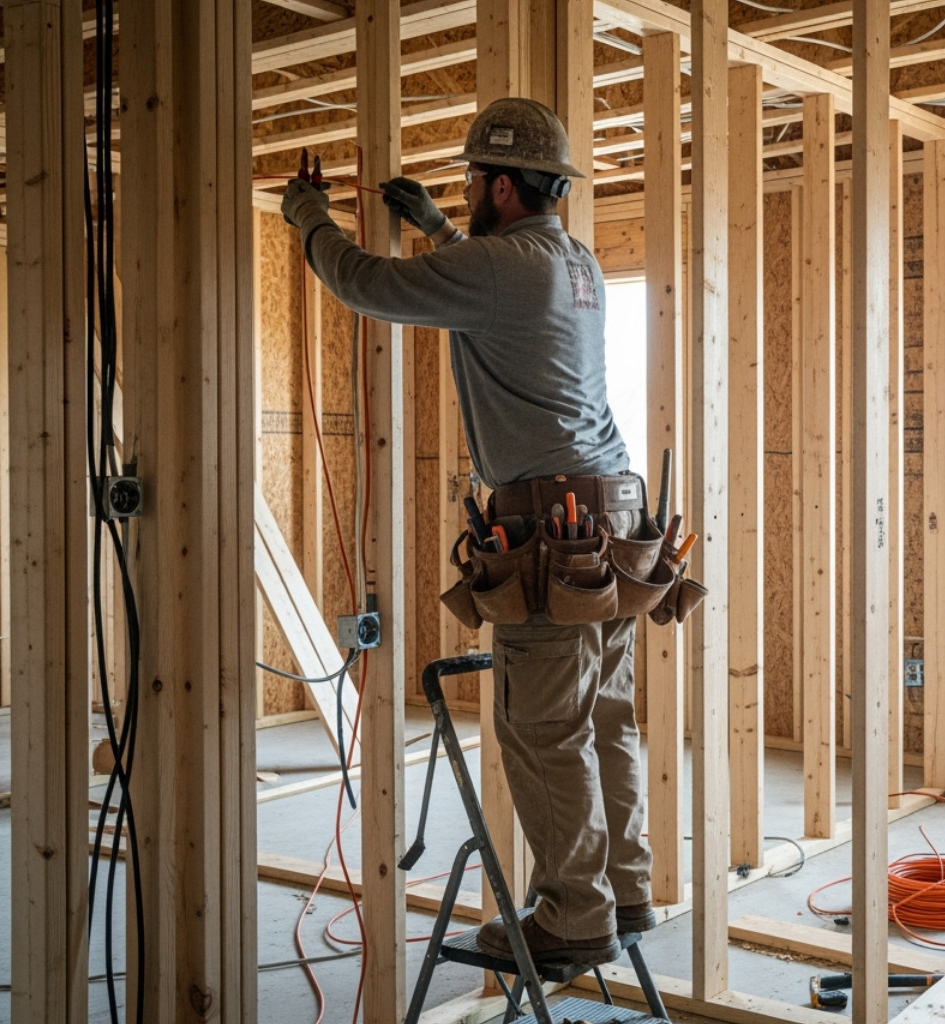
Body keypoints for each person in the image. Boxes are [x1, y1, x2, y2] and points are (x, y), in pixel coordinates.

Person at [281, 97, 654, 968]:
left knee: (541, 728)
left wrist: (309, 217)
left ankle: (572, 916)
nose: (468, 194)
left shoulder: (499, 268)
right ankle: (624, 893)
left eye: (473, 184)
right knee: (606, 717)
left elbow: (364, 283)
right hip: (617, 514)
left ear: (501, 186)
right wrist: (444, 228)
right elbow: (498, 283)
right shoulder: (577, 263)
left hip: (552, 524)